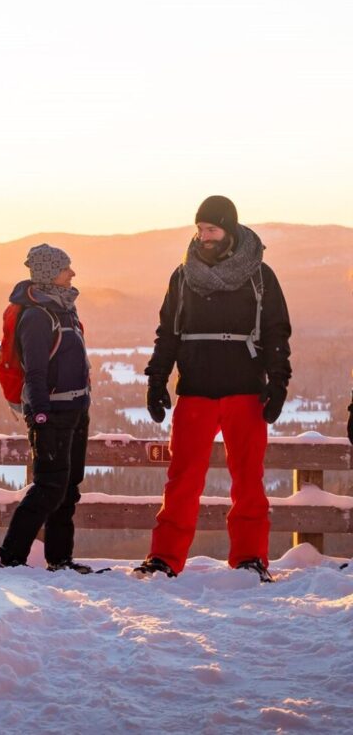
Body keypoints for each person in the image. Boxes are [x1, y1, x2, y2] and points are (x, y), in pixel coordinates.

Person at [135, 196, 291, 583]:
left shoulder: (259, 275)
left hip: (245, 391)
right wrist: (157, 379)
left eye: (212, 229)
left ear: (230, 230)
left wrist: (279, 382)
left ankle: (251, 558)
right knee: (182, 480)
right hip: (196, 391)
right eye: (200, 229)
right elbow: (168, 333)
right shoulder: (184, 275)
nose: (204, 237)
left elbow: (275, 332)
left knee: (249, 480)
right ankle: (165, 558)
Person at [0, 243, 93, 573]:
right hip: (50, 413)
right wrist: (39, 414)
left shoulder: (63, 308)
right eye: (67, 268)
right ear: (51, 273)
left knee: (67, 489)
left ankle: (60, 559)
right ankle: (11, 557)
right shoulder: (38, 316)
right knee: (49, 487)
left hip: (76, 409)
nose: (73, 273)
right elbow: (35, 371)